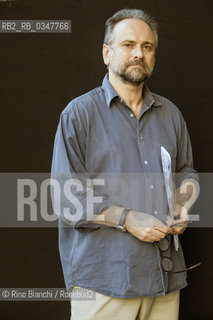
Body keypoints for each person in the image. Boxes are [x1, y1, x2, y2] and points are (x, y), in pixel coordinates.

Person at [51, 8, 199, 320]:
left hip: (164, 280)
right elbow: (67, 199)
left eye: (147, 47)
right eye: (128, 45)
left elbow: (186, 171)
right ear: (107, 53)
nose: (138, 54)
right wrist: (128, 219)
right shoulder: (78, 115)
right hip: (104, 283)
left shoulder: (170, 114)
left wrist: (183, 202)